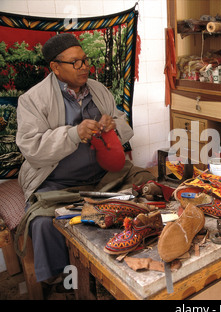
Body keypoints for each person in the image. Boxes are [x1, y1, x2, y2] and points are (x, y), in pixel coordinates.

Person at [15, 33, 153, 287]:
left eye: (85, 61)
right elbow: (31, 148)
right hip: (58, 184)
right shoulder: (32, 100)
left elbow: (122, 122)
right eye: (75, 63)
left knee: (147, 185)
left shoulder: (97, 89)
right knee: (44, 223)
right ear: (55, 67)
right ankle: (67, 283)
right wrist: (73, 134)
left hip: (103, 178)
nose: (84, 67)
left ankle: (121, 262)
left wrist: (112, 125)